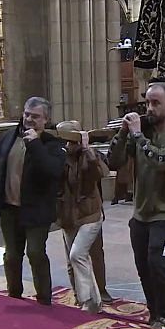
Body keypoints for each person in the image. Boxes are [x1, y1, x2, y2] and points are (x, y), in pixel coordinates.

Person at [108, 83, 165, 329]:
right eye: (147, 103)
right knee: (144, 266)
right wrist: (124, 133)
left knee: (159, 266)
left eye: (156, 103)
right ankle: (154, 313)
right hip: (142, 213)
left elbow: (161, 161)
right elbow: (114, 162)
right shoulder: (142, 134)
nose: (150, 108)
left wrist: (136, 135)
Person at [0, 97, 65, 305]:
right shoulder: (8, 137)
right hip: (9, 208)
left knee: (36, 253)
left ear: (46, 119)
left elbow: (51, 172)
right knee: (11, 256)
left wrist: (35, 143)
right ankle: (15, 295)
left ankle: (44, 300)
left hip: (37, 210)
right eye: (27, 114)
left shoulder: (52, 144)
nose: (29, 119)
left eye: (35, 116)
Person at [56, 120, 110, 313]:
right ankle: (83, 299)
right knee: (72, 261)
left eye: (72, 141)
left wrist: (87, 149)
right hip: (67, 215)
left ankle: (90, 300)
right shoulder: (60, 157)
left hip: (89, 215)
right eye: (66, 142)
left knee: (78, 254)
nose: (68, 146)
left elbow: (102, 172)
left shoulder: (89, 155)